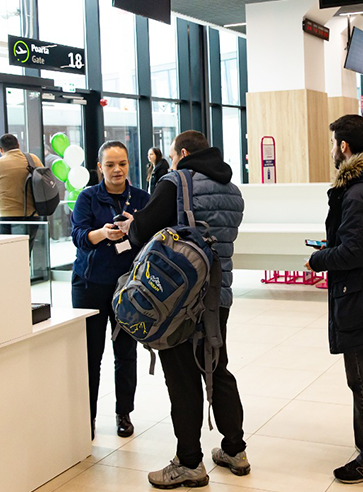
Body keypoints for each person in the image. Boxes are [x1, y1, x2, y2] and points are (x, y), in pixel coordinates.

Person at [119, 130, 248, 489]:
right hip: (217, 296)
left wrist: (131, 227)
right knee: (216, 367)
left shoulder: (176, 182)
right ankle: (234, 450)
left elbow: (143, 228)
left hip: (179, 301)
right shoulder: (232, 191)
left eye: (174, 154)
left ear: (183, 153)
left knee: (181, 377)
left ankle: (190, 462)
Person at [306, 115, 363, 484]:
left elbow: (354, 252)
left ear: (344, 147)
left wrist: (319, 259)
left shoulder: (358, 192)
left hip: (359, 297)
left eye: (334, 144)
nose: (333, 150)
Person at [70, 141, 150, 440]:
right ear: (99, 167)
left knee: (126, 353)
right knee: (90, 354)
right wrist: (103, 233)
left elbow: (155, 238)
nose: (117, 170)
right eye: (110, 165)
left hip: (129, 287)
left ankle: (124, 413)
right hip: (90, 285)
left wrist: (135, 229)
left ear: (129, 165)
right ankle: (86, 416)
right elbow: (78, 236)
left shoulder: (142, 198)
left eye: (123, 164)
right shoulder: (88, 198)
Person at [0, 134, 44, 247]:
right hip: (33, 216)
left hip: (9, 218)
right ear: (18, 146)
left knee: (8, 256)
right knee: (25, 254)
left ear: (1, 149)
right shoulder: (33, 159)